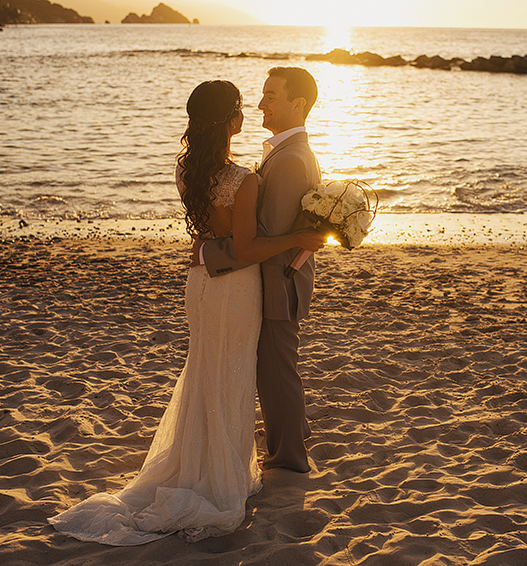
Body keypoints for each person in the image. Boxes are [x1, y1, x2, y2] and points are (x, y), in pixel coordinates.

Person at [48, 80, 324, 546]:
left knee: (203, 373)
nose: (249, 110)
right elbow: (246, 247)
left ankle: (203, 467)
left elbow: (211, 236)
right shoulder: (244, 178)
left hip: (198, 286)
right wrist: (299, 239)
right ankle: (220, 479)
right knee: (229, 376)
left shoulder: (186, 170)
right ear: (229, 121)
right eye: (241, 107)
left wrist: (212, 245)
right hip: (234, 289)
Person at [196, 67, 321, 473]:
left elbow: (264, 235)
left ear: (297, 104)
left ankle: (288, 459)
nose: (262, 104)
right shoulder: (284, 152)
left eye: (271, 95)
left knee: (276, 373)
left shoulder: (288, 161)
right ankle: (292, 439)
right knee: (278, 368)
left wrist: (207, 253)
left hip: (277, 282)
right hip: (277, 279)